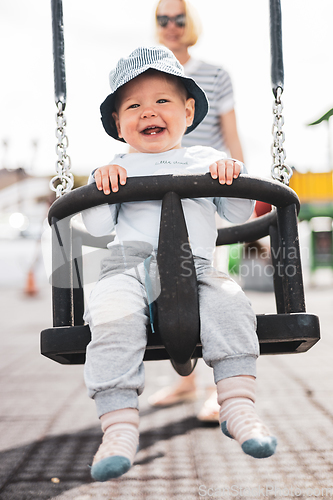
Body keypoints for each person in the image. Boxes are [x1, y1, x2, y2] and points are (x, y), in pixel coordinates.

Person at [82, 46, 277, 482]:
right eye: (133, 105)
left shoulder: (206, 160)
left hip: (198, 267)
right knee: (110, 315)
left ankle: (238, 406)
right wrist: (102, 186)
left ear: (188, 112)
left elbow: (236, 216)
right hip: (128, 268)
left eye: (162, 101)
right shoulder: (117, 166)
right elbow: (94, 224)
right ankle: (118, 428)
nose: (148, 111)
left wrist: (232, 177)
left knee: (231, 304)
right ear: (118, 123)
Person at [150, 0, 244, 418]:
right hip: (160, 179)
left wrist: (244, 181)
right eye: (162, 19)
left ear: (193, 22)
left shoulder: (216, 75)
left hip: (206, 182)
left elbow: (230, 134)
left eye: (179, 18)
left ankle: (214, 387)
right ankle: (185, 382)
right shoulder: (150, 73)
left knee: (209, 276)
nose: (171, 26)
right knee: (164, 275)